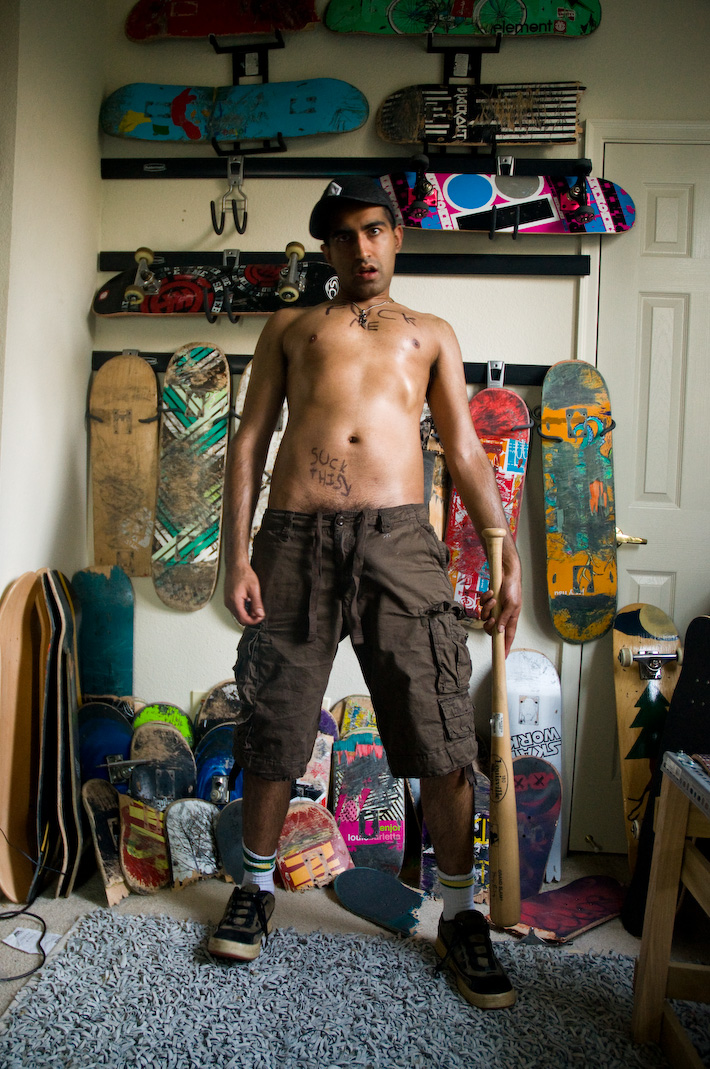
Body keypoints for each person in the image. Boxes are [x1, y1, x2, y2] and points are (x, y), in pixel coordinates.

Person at [208, 177, 522, 1010]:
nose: (362, 248)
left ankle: (459, 914)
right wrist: (233, 555)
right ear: (327, 248)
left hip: (399, 542)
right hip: (292, 539)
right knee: (274, 722)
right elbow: (249, 439)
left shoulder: (430, 333)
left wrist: (506, 555)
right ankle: (255, 888)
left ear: (397, 235)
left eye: (375, 229)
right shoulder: (291, 327)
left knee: (440, 729)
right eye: (345, 235)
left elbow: (465, 450)